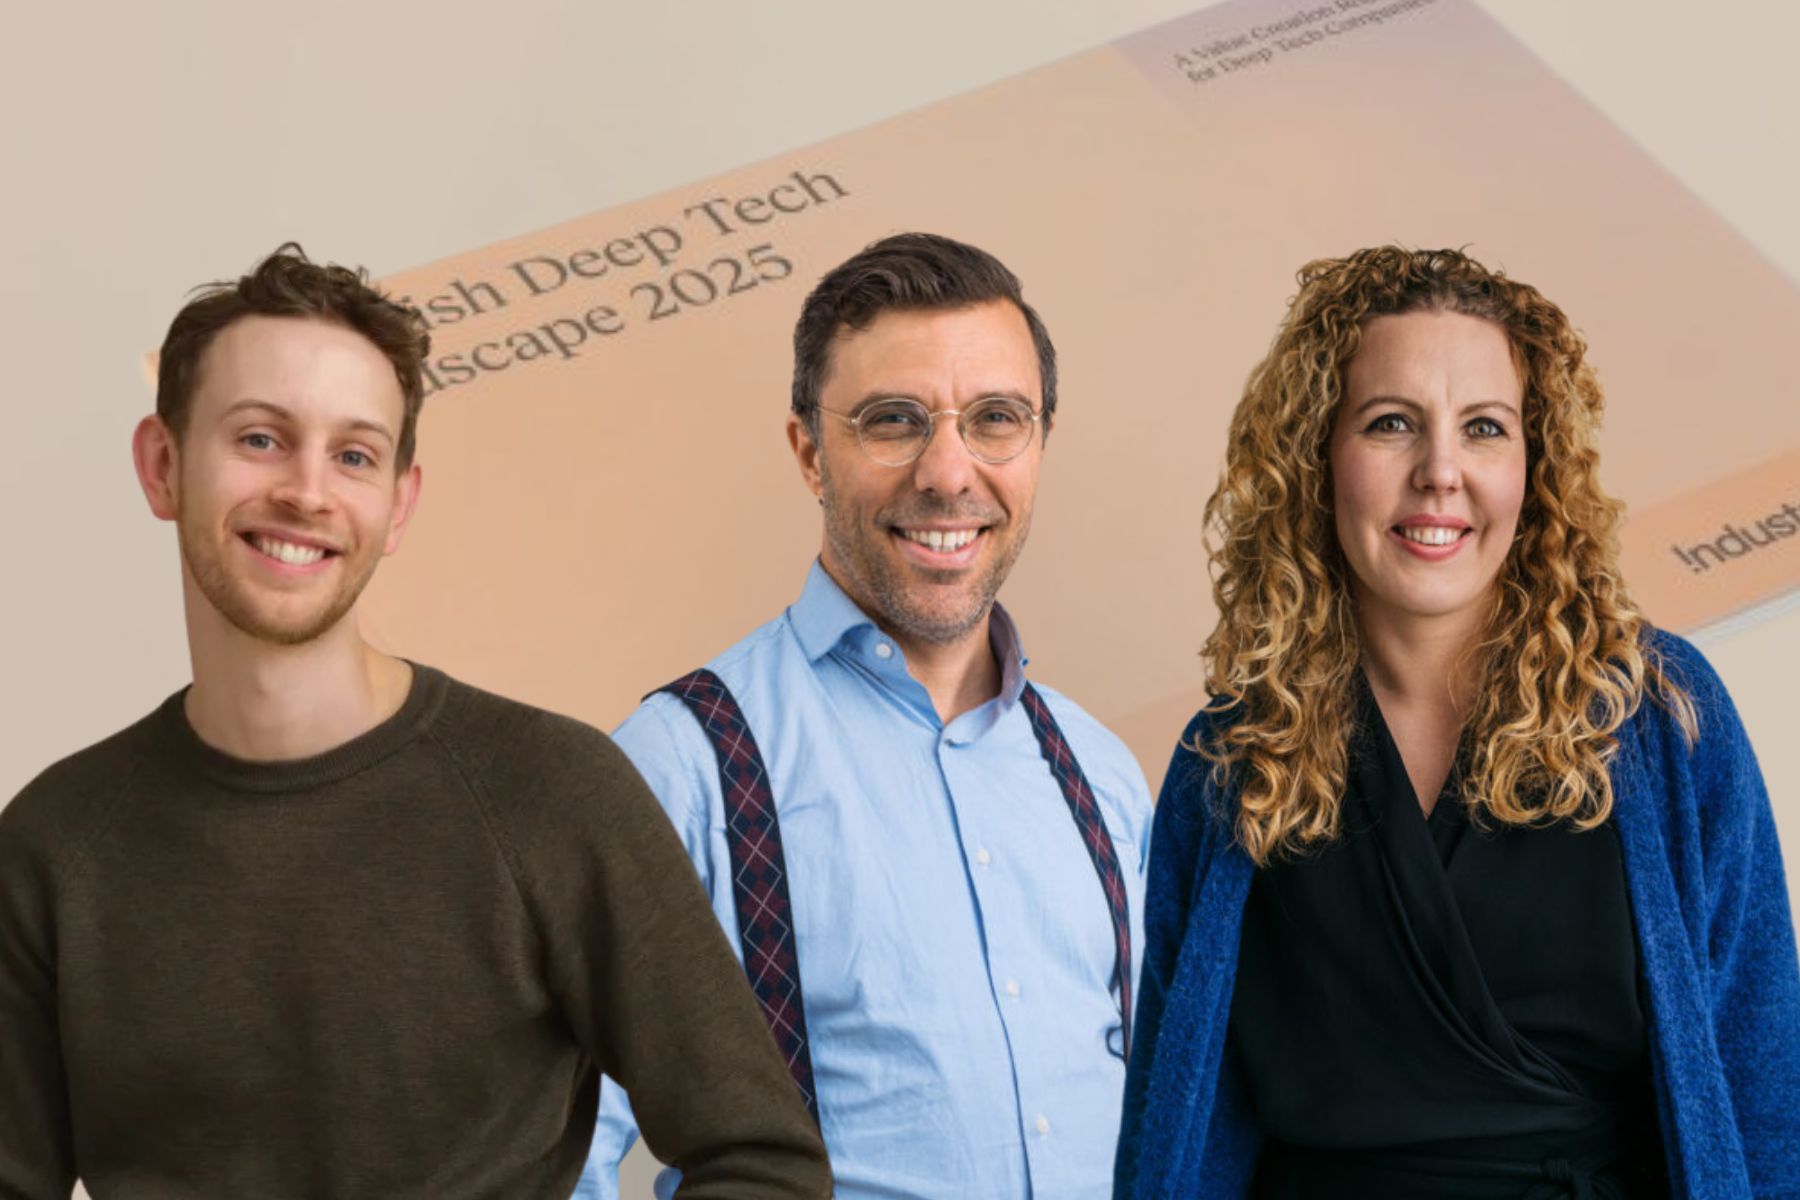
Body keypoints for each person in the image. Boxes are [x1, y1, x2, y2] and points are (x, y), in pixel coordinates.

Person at [0, 245, 829, 1199]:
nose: (307, 492)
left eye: (353, 455)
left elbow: (764, 1161)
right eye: (260, 438)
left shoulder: (554, 793)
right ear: (162, 465)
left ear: (397, 505)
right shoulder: (56, 847)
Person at [1114, 246, 1800, 1199]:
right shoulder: (1230, 761)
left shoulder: (1662, 718)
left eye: (1484, 428)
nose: (1441, 473)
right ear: (1318, 456)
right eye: (1392, 424)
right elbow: (1165, 1119)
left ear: (1535, 466)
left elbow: (1763, 1078)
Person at [580, 232, 1154, 1199]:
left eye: (996, 419)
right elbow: (558, 1155)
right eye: (893, 420)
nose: (948, 472)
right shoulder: (680, 766)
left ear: (1040, 442)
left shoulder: (1100, 774)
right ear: (809, 451)